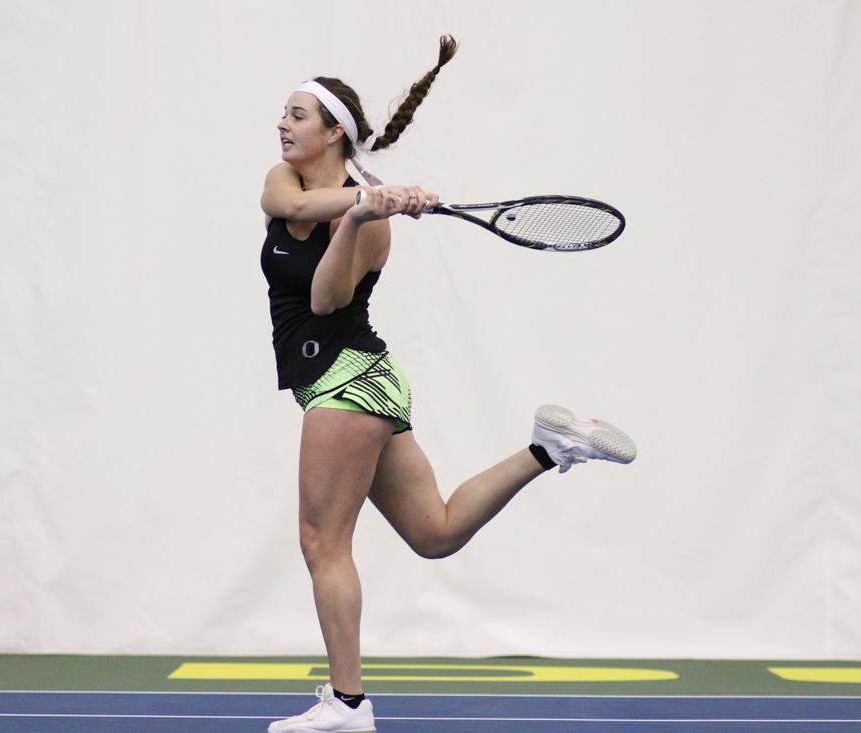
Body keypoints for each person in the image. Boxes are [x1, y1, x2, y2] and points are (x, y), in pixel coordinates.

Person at [258, 36, 636, 733]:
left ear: (334, 131)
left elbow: (324, 300)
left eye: (298, 114)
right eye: (283, 112)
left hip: (346, 380)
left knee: (322, 542)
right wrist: (364, 199)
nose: (282, 123)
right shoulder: (282, 186)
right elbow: (295, 209)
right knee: (434, 533)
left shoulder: (373, 230)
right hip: (361, 382)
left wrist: (362, 218)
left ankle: (346, 705)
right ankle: (548, 448)